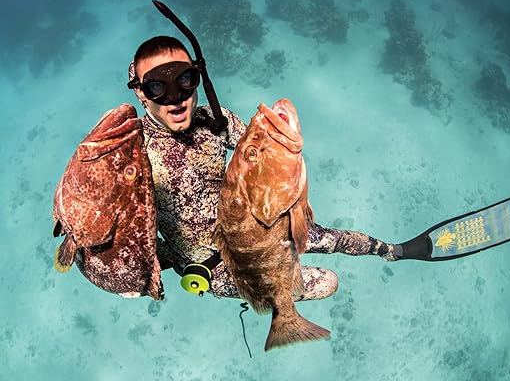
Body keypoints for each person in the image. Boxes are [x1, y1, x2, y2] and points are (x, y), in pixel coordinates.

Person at [126, 35, 402, 301]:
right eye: (157, 87)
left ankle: (391, 251)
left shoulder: (215, 118)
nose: (175, 97)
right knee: (327, 282)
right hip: (212, 268)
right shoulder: (133, 152)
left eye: (184, 79)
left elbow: (260, 156)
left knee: (335, 239)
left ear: (197, 76)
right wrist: (154, 265)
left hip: (258, 228)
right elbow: (123, 230)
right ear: (140, 92)